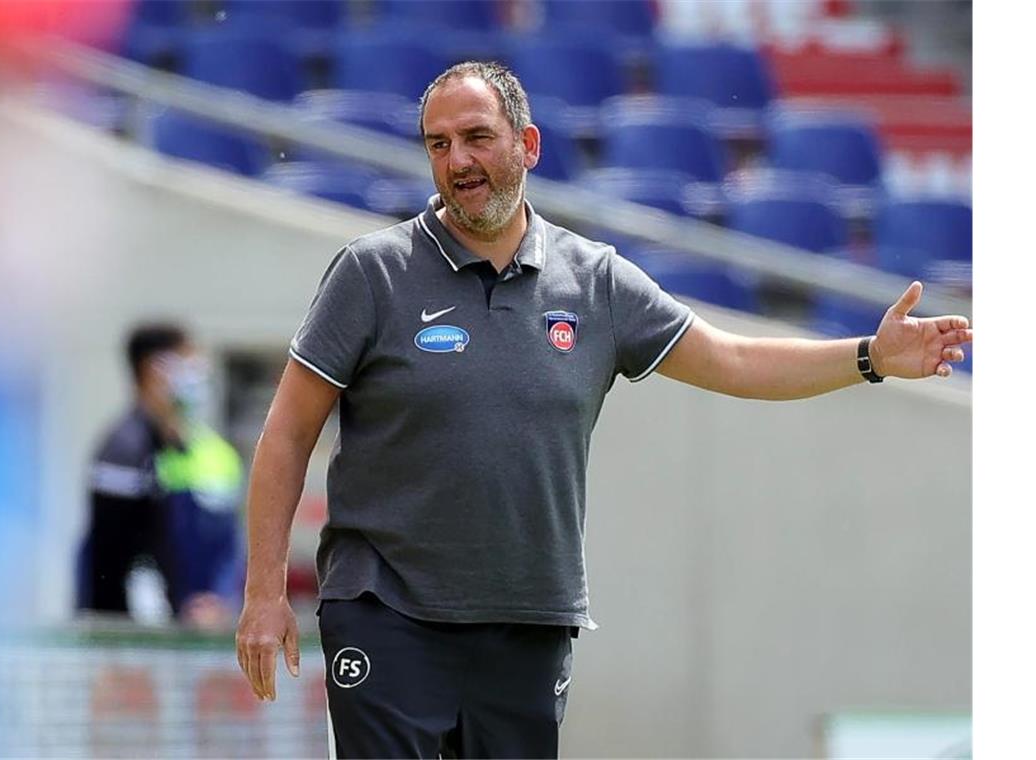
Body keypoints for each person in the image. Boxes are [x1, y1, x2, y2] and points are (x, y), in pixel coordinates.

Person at [235, 62, 972, 757]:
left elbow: (734, 359)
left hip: (529, 619)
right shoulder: (372, 271)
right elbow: (288, 432)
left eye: (477, 137)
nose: (457, 160)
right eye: (439, 143)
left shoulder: (597, 282)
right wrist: (265, 591)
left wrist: (871, 357)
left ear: (527, 145)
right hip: (384, 608)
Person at [76, 322, 245, 629]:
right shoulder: (123, 450)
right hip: (136, 633)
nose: (194, 375)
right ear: (151, 370)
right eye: (184, 363)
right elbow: (113, 557)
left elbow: (228, 545)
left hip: (201, 624)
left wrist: (219, 599)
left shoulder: (205, 450)